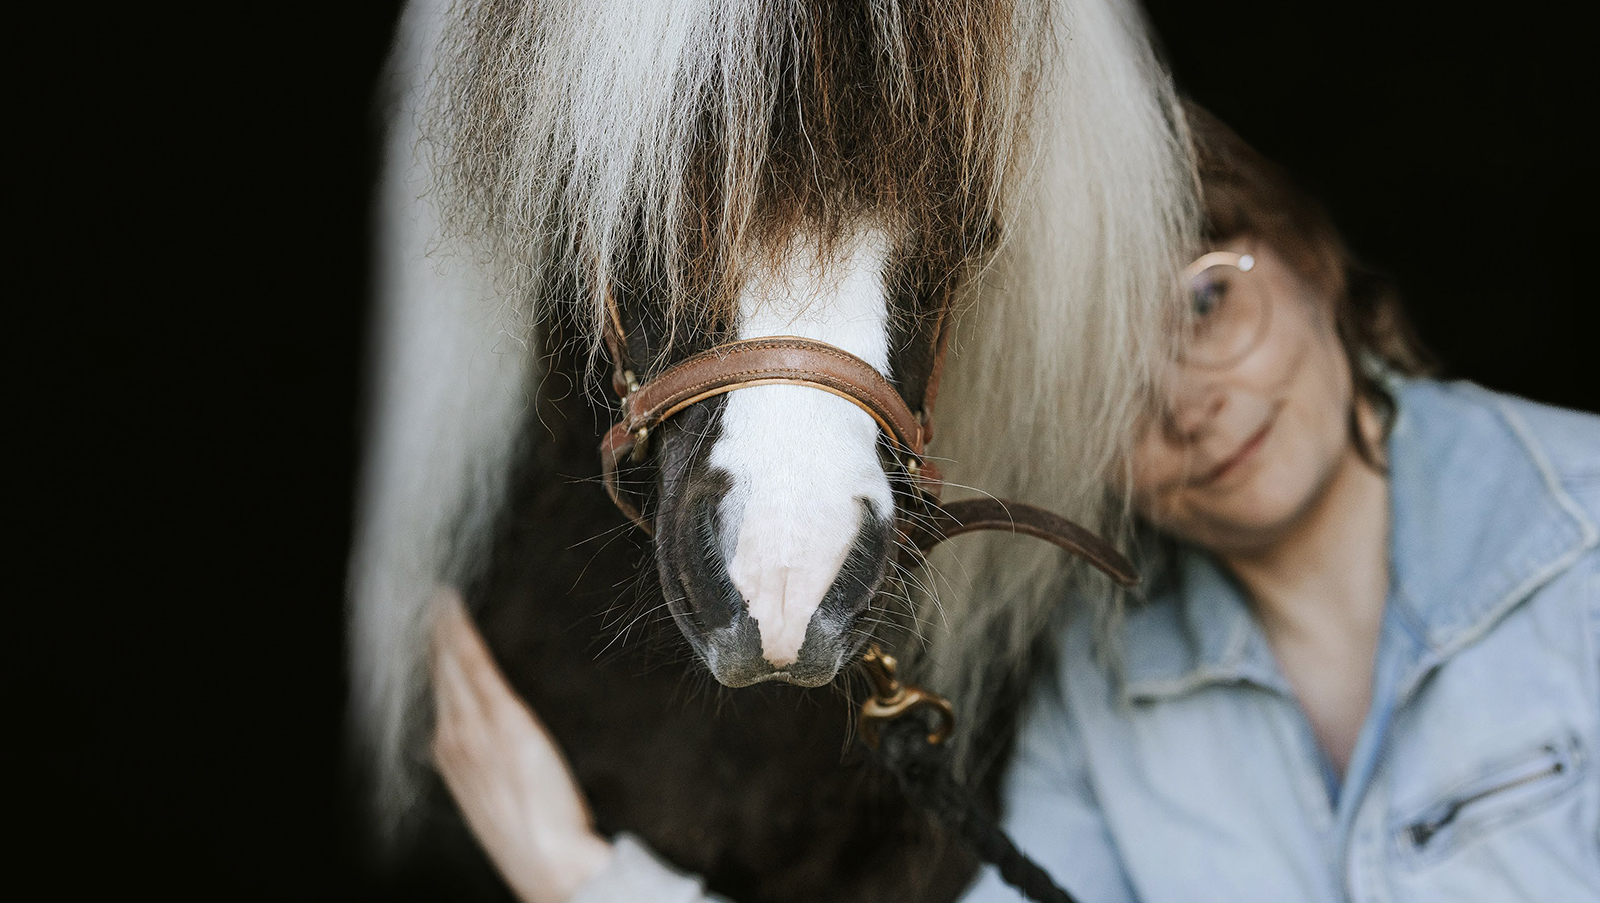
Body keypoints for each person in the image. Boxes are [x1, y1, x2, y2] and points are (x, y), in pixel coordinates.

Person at [427, 106, 1600, 902]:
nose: (1188, 403)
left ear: (1310, 258)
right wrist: (584, 878)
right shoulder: (1101, 695)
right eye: (1107, 392)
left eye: (1207, 305)